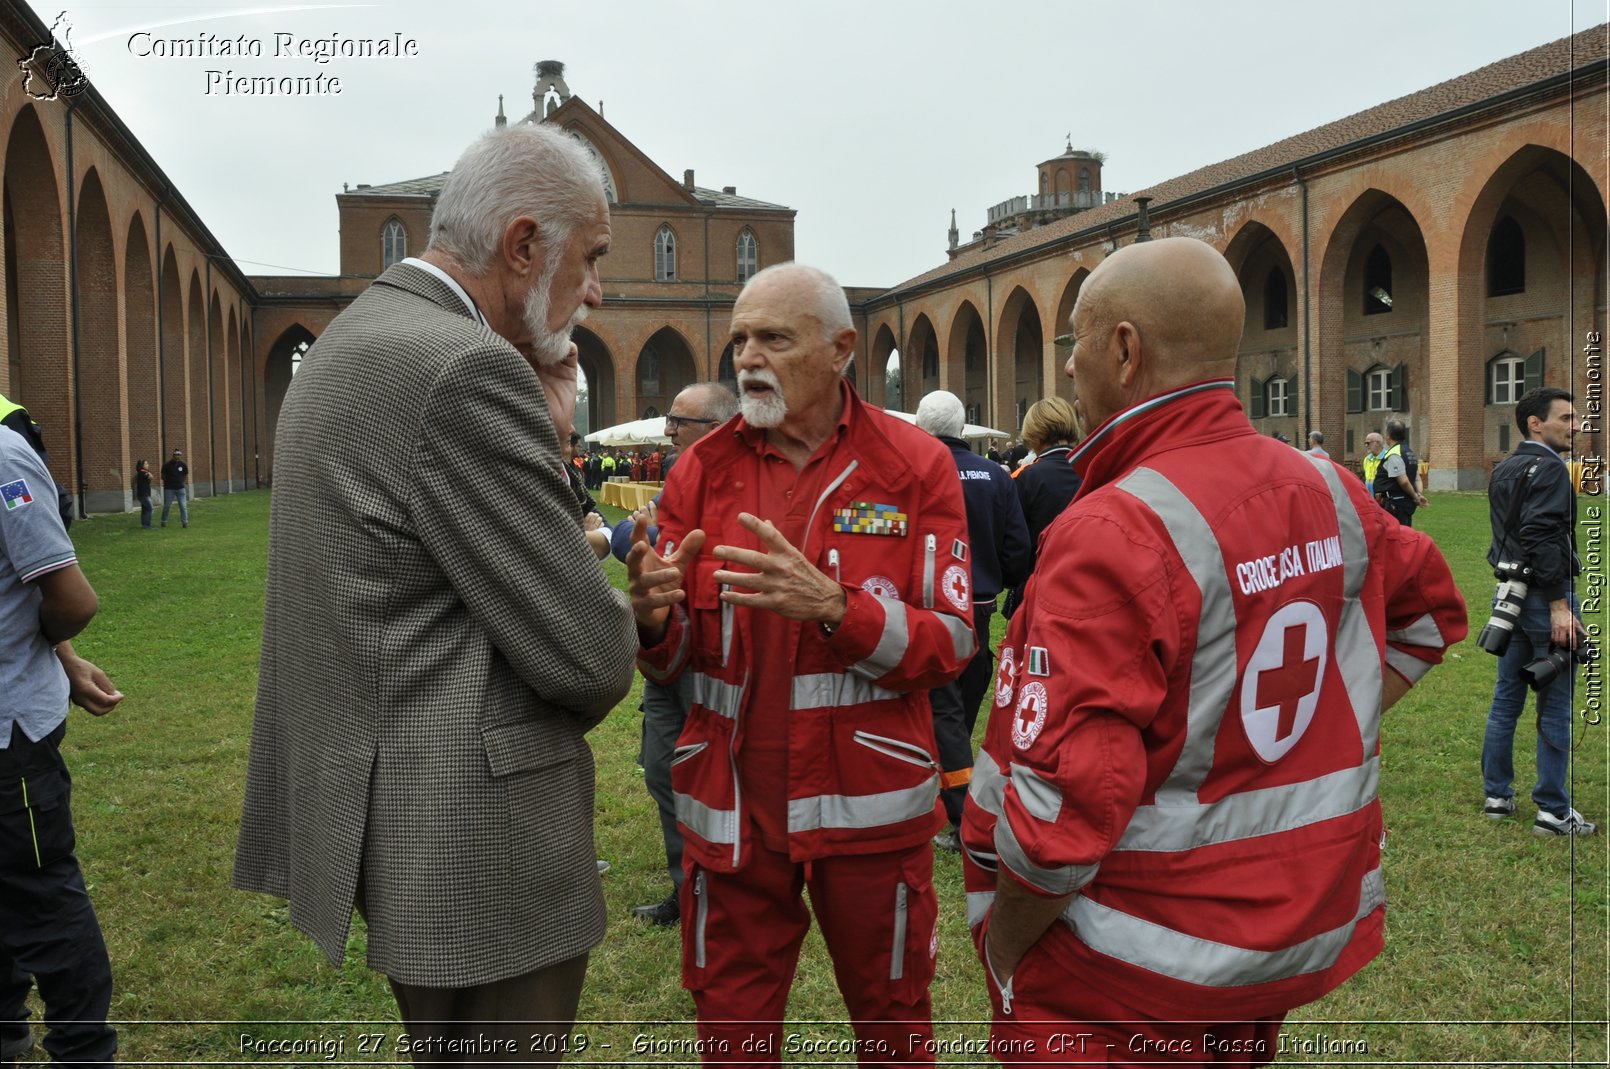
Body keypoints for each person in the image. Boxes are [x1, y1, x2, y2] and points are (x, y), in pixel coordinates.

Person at [960, 237, 1467, 1060]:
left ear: (1125, 349)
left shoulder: (1110, 529)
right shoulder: (1332, 487)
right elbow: (1429, 617)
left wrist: (1006, 948)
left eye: (1076, 345)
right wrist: (1294, 739)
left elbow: (1060, 819)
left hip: (1121, 971)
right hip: (1277, 943)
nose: (1066, 372)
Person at [232, 123, 639, 1061]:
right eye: (593, 256)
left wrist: (546, 443)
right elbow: (588, 653)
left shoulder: (356, 337)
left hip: (400, 807)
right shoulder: (464, 367)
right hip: (479, 834)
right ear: (525, 244)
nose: (598, 289)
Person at [627, 262, 974, 1063]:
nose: (747, 357)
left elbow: (953, 642)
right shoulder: (701, 470)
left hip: (868, 813)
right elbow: (678, 657)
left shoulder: (915, 466)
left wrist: (835, 608)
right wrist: (652, 623)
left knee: (893, 1026)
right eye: (741, 338)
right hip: (734, 814)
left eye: (773, 338)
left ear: (840, 348)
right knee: (732, 1036)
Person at [0, 422, 125, 1068]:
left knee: (44, 895)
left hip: (8, 738)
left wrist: (64, 654)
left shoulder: (3, 458)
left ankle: (82, 1050)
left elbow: (69, 598)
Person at [608, 382, 739, 926]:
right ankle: (689, 893)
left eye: (676, 421)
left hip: (724, 664)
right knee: (664, 771)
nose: (666, 431)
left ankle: (732, 894)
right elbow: (638, 540)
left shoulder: (745, 483)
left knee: (724, 780)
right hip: (668, 653)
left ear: (713, 428)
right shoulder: (681, 477)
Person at [914, 390, 1029, 852]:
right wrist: (1000, 580)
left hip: (924, 605)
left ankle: (960, 812)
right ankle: (953, 799)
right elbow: (1017, 544)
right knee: (959, 707)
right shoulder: (995, 476)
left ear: (922, 428)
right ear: (962, 429)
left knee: (942, 711)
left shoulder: (913, 467)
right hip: (976, 606)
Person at [1480, 386, 1595, 836]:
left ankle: (1497, 796)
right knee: (1556, 703)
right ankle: (1552, 811)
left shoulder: (1504, 468)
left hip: (1509, 595)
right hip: (1545, 598)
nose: (1575, 425)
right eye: (1565, 418)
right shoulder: (1549, 469)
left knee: (1506, 697)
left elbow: (1508, 538)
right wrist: (1560, 606)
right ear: (1535, 423)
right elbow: (1544, 536)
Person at [1001, 398, 1081, 618]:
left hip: (1037, 586)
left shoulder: (1025, 477)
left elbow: (1016, 542)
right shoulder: (1091, 467)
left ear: (1033, 432)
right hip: (1084, 583)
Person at [1375, 417, 1427, 525]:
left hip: (1395, 504)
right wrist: (1418, 494)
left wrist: (1415, 497)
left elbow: (1403, 481)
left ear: (1388, 435)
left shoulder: (1395, 454)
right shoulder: (1410, 452)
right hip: (1404, 502)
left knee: (1395, 536)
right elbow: (1417, 478)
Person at [159, 448, 189, 528]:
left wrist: (181, 482)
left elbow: (185, 474)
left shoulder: (183, 465)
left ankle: (185, 522)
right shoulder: (167, 465)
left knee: (183, 505)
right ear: (173, 455)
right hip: (169, 488)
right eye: (176, 455)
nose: (178, 456)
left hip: (180, 488)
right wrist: (168, 482)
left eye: (179, 455)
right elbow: (162, 476)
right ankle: (164, 521)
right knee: (167, 506)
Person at [133, 459, 153, 529]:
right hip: (144, 494)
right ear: (142, 465)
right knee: (149, 508)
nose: (148, 465)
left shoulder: (141, 472)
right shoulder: (143, 472)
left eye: (147, 463)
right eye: (146, 464)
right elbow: (151, 477)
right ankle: (147, 525)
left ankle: (144, 524)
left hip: (143, 494)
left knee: (145, 509)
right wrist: (149, 474)